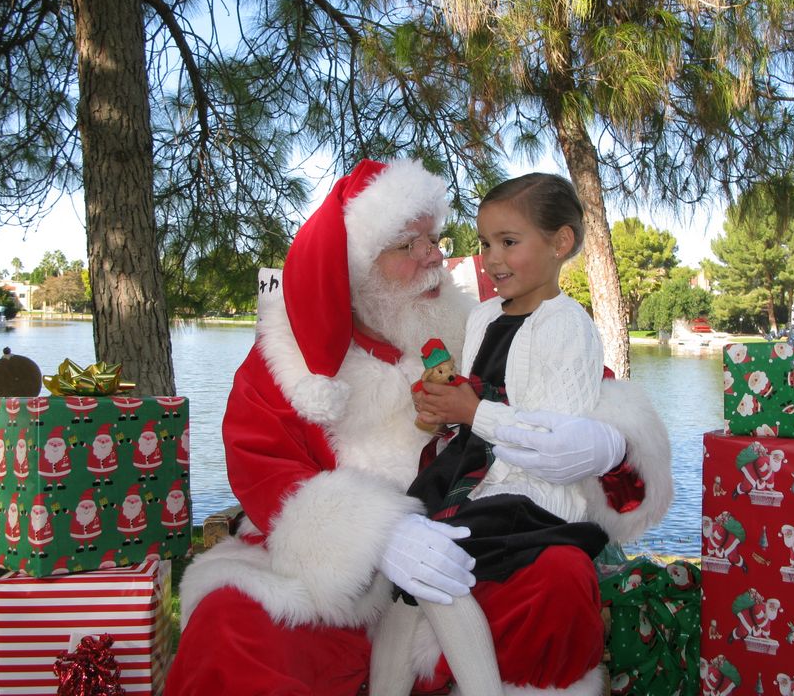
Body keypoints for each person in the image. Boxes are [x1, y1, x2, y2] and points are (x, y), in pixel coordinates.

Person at [167, 158, 672, 695]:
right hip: (342, 579)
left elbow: (583, 387)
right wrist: (379, 535)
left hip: (473, 544)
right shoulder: (286, 362)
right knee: (233, 623)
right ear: (356, 268)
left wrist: (610, 440)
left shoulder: (476, 322)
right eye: (408, 245)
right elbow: (265, 469)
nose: (435, 257)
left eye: (434, 238)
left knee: (558, 579)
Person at [370, 173, 612, 695]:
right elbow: (483, 396)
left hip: (528, 498)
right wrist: (445, 407)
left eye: (508, 242)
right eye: (483, 244)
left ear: (560, 242)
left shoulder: (569, 326)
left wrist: (474, 412)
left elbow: (553, 440)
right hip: (469, 478)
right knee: (410, 567)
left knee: (437, 567)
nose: (491, 258)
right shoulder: (482, 317)